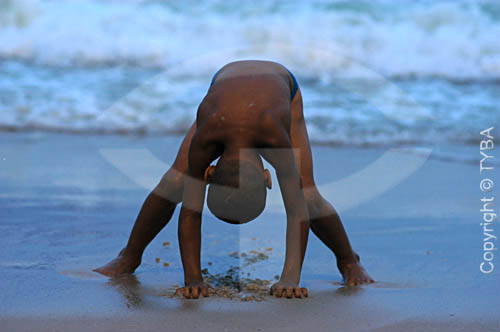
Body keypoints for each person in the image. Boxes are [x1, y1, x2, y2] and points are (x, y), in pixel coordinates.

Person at [94, 60, 374, 299]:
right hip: (223, 98)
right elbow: (190, 213)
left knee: (309, 194)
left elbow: (297, 207)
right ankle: (129, 255)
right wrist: (193, 280)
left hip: (283, 88)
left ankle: (349, 260)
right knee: (173, 183)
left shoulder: (275, 137)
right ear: (209, 172)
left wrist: (290, 279)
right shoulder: (208, 136)